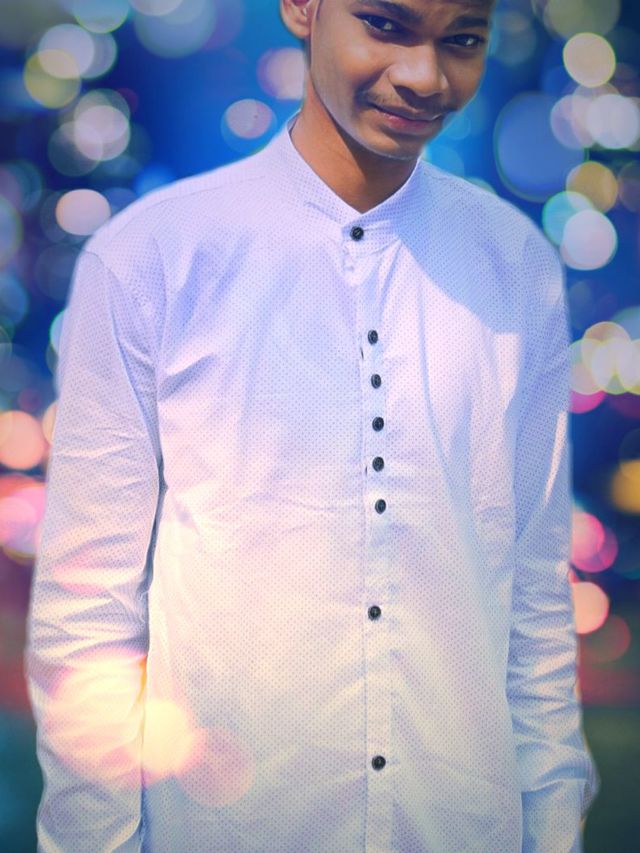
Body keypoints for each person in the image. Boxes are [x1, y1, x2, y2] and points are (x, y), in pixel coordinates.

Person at [26, 0, 600, 850]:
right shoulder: (154, 256)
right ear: (302, 7)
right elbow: (88, 615)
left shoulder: (515, 267)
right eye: (386, 26)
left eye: (462, 41)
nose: (425, 77)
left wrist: (551, 833)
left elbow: (535, 609)